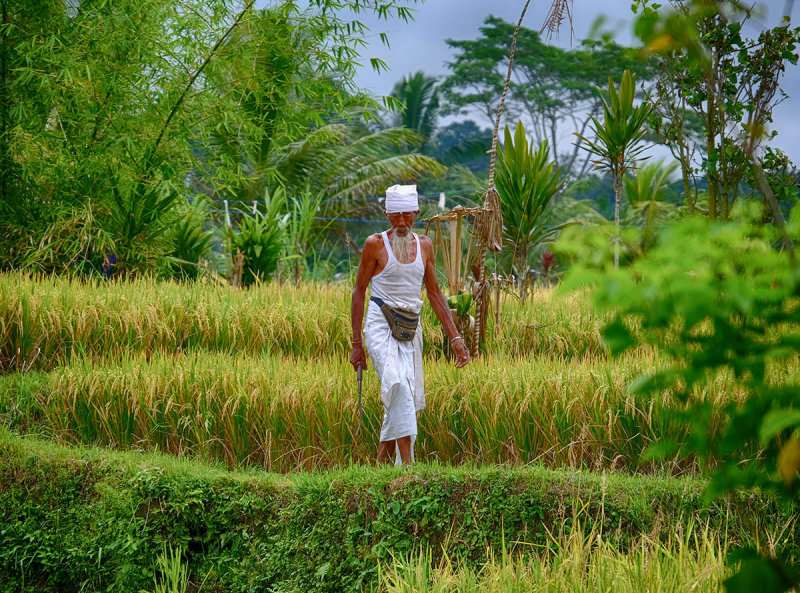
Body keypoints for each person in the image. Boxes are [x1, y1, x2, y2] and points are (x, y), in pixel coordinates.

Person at [350, 184, 471, 465]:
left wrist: (455, 338)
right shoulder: (375, 244)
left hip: (408, 329)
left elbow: (435, 294)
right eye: (395, 216)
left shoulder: (425, 246)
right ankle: (408, 466)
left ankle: (381, 463)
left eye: (407, 216)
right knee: (398, 387)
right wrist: (357, 345)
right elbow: (359, 292)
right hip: (380, 325)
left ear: (416, 213)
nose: (402, 223)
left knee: (400, 393)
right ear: (387, 215)